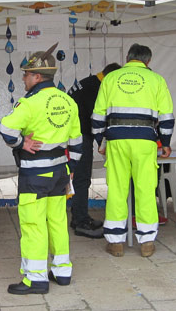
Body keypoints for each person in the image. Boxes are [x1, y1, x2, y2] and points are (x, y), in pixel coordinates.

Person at [0, 45, 82, 295]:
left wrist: (23, 143)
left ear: (37, 77)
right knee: (57, 221)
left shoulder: (30, 103)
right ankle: (62, 271)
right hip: (60, 171)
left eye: (26, 74)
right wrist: (72, 169)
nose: (23, 78)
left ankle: (35, 278)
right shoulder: (68, 101)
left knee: (33, 224)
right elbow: (77, 142)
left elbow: (5, 129)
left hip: (35, 173)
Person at [92, 43, 174, 258]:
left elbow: (98, 114)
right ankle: (147, 242)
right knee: (145, 190)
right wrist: (165, 142)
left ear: (127, 57)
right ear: (148, 61)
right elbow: (166, 116)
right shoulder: (157, 80)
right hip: (145, 141)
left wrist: (101, 142)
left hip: (116, 140)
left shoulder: (110, 79)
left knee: (117, 190)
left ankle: (116, 242)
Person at [67, 62, 121, 238]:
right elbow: (97, 119)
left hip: (77, 134)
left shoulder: (90, 82)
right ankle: (81, 221)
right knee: (82, 178)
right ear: (110, 77)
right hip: (77, 136)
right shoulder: (95, 88)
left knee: (82, 178)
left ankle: (79, 217)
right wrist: (102, 141)